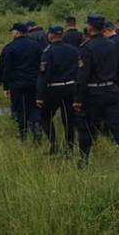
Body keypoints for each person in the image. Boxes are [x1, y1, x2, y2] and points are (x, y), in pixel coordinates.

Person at [73, 14, 119, 169]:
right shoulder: (113, 45)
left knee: (86, 127)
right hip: (111, 90)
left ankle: (84, 160)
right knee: (116, 126)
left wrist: (78, 98)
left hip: (92, 93)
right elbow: (118, 69)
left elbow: (83, 76)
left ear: (90, 27)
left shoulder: (86, 47)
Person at [36, 25, 79, 156]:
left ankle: (54, 145)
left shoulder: (48, 52)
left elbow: (43, 76)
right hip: (71, 88)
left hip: (54, 89)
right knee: (69, 120)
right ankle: (70, 148)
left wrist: (39, 96)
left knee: (44, 117)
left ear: (51, 35)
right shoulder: (73, 50)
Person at [0, 23, 43, 143]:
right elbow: (41, 64)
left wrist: (6, 87)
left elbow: (7, 69)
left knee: (20, 109)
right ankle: (37, 127)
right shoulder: (36, 46)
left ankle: (23, 135)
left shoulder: (10, 47)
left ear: (17, 32)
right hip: (34, 83)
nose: (11, 33)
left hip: (17, 84)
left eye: (13, 31)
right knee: (33, 106)